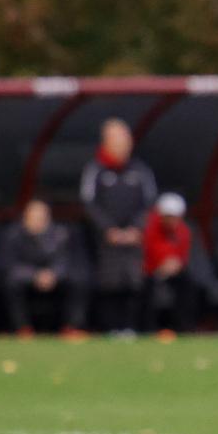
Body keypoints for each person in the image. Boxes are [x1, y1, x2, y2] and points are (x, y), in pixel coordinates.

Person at [80, 118, 156, 333]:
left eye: (126, 140)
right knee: (109, 283)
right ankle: (110, 328)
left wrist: (135, 229)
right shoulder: (95, 170)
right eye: (118, 140)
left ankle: (131, 327)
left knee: (133, 282)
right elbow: (89, 204)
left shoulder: (141, 170)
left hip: (134, 238)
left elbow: (149, 203)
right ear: (106, 142)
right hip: (107, 240)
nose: (124, 145)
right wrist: (108, 230)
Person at [1, 199, 85, 336]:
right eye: (33, 218)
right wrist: (35, 275)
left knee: (78, 279)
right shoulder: (13, 235)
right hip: (27, 279)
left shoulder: (60, 234)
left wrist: (53, 274)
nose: (37, 221)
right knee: (11, 283)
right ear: (25, 218)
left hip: (54, 279)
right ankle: (22, 329)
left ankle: (73, 327)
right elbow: (10, 265)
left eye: (41, 218)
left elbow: (65, 261)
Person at [143, 192, 196, 334]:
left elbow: (182, 254)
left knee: (188, 284)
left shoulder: (183, 230)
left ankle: (184, 328)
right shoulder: (149, 227)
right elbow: (149, 249)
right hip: (151, 269)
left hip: (172, 270)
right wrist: (161, 264)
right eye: (169, 217)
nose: (173, 221)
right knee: (146, 287)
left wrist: (175, 264)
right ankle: (149, 329)